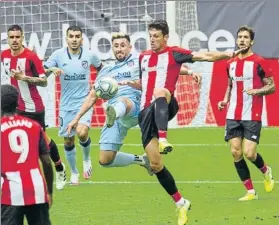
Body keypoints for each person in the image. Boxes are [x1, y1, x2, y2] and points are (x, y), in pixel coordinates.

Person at [122, 19, 248, 225]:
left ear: (165, 37)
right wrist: (130, 84)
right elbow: (147, 80)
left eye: (156, 36)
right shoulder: (143, 58)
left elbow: (204, 56)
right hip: (145, 114)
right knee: (155, 164)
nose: (152, 40)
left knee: (161, 92)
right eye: (150, 36)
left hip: (166, 104)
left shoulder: (174, 53)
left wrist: (228, 54)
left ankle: (164, 138)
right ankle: (181, 202)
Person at [67, 33, 200, 176]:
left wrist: (190, 71)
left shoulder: (139, 60)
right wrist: (77, 118)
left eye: (123, 46)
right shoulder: (106, 71)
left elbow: (166, 68)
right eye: (116, 46)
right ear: (112, 48)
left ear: (130, 47)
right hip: (117, 117)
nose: (119, 49)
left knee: (123, 100)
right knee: (105, 159)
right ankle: (142, 160)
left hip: (136, 107)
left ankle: (115, 112)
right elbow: (92, 96)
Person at [1, 24, 66, 190]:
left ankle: (59, 167)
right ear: (7, 39)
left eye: (17, 37)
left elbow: (43, 81)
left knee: (42, 142)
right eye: (11, 37)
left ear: (23, 38)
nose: (15, 40)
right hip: (14, 107)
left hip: (33, 108)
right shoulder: (4, 56)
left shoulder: (31, 56)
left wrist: (24, 77)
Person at [218, 25, 275, 201]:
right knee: (236, 152)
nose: (242, 40)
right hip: (233, 114)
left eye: (245, 37)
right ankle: (250, 191)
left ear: (252, 41)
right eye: (240, 37)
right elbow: (230, 85)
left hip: (252, 114)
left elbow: (271, 86)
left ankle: (266, 170)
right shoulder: (230, 63)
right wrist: (225, 100)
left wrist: (257, 91)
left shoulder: (259, 62)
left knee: (249, 153)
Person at [44, 25, 103, 185]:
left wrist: (98, 84)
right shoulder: (58, 55)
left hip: (84, 103)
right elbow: (44, 70)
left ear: (82, 39)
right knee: (68, 141)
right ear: (67, 38)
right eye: (71, 36)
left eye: (77, 36)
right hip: (65, 105)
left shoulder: (90, 55)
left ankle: (86, 160)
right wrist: (53, 68)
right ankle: (74, 173)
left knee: (82, 132)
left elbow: (101, 68)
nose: (74, 39)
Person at [1, 84, 54, 225]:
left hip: (11, 192)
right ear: (18, 102)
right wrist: (49, 191)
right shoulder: (34, 126)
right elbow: (47, 163)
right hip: (37, 189)